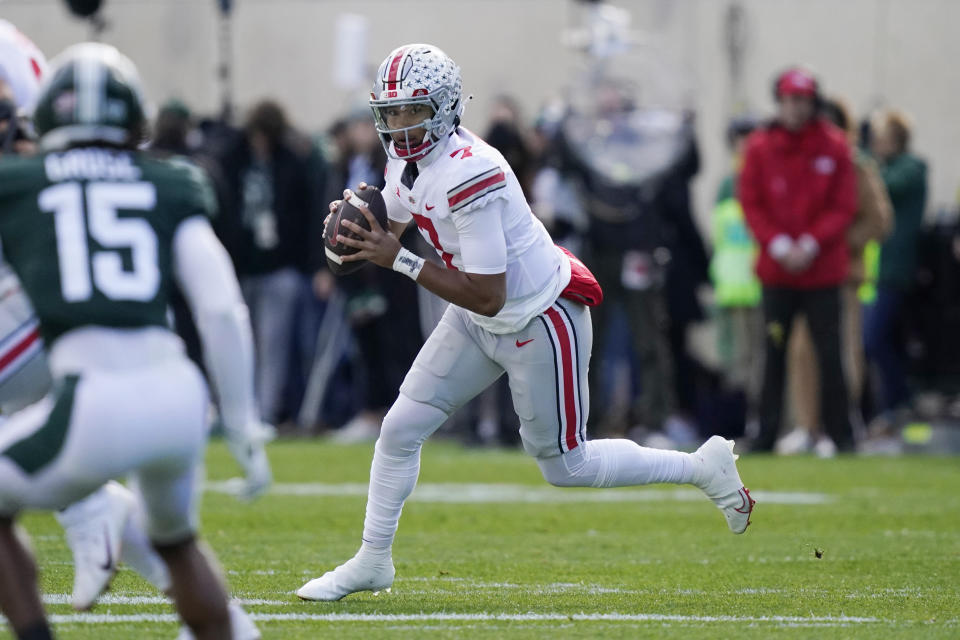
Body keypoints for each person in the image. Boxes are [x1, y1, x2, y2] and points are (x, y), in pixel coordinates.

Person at [297, 43, 755, 603]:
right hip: (478, 313)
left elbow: (488, 295)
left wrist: (396, 257)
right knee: (397, 431)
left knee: (567, 466)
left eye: (411, 111)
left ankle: (703, 468)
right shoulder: (407, 161)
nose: (398, 125)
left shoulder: (473, 172)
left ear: (442, 108)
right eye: (390, 112)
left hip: (539, 317)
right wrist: (352, 236)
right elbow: (387, 226)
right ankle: (372, 559)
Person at [0, 43, 269, 639]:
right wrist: (245, 426)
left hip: (94, 398)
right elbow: (222, 309)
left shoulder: (18, 182)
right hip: (178, 399)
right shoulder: (171, 181)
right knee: (176, 543)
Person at [739, 67, 858, 453]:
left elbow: (843, 205)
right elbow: (751, 201)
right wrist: (777, 245)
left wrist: (809, 243)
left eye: (802, 100)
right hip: (778, 274)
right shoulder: (759, 147)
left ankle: (842, 434)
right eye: (790, 99)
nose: (796, 107)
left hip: (821, 271)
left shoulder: (834, 145)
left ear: (813, 102)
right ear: (780, 101)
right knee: (773, 354)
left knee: (830, 354)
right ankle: (766, 434)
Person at [781, 98, 892, 456]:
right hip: (804, 277)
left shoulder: (855, 164)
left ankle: (839, 424)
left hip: (842, 275)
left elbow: (879, 220)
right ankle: (806, 426)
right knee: (801, 351)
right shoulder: (805, 163)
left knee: (843, 352)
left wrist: (838, 245)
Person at [864, 109, 927, 428]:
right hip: (876, 271)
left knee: (874, 339)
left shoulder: (911, 169)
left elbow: (881, 185)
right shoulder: (885, 167)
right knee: (884, 340)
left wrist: (860, 160)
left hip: (895, 271)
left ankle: (899, 401)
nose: (876, 144)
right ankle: (891, 404)